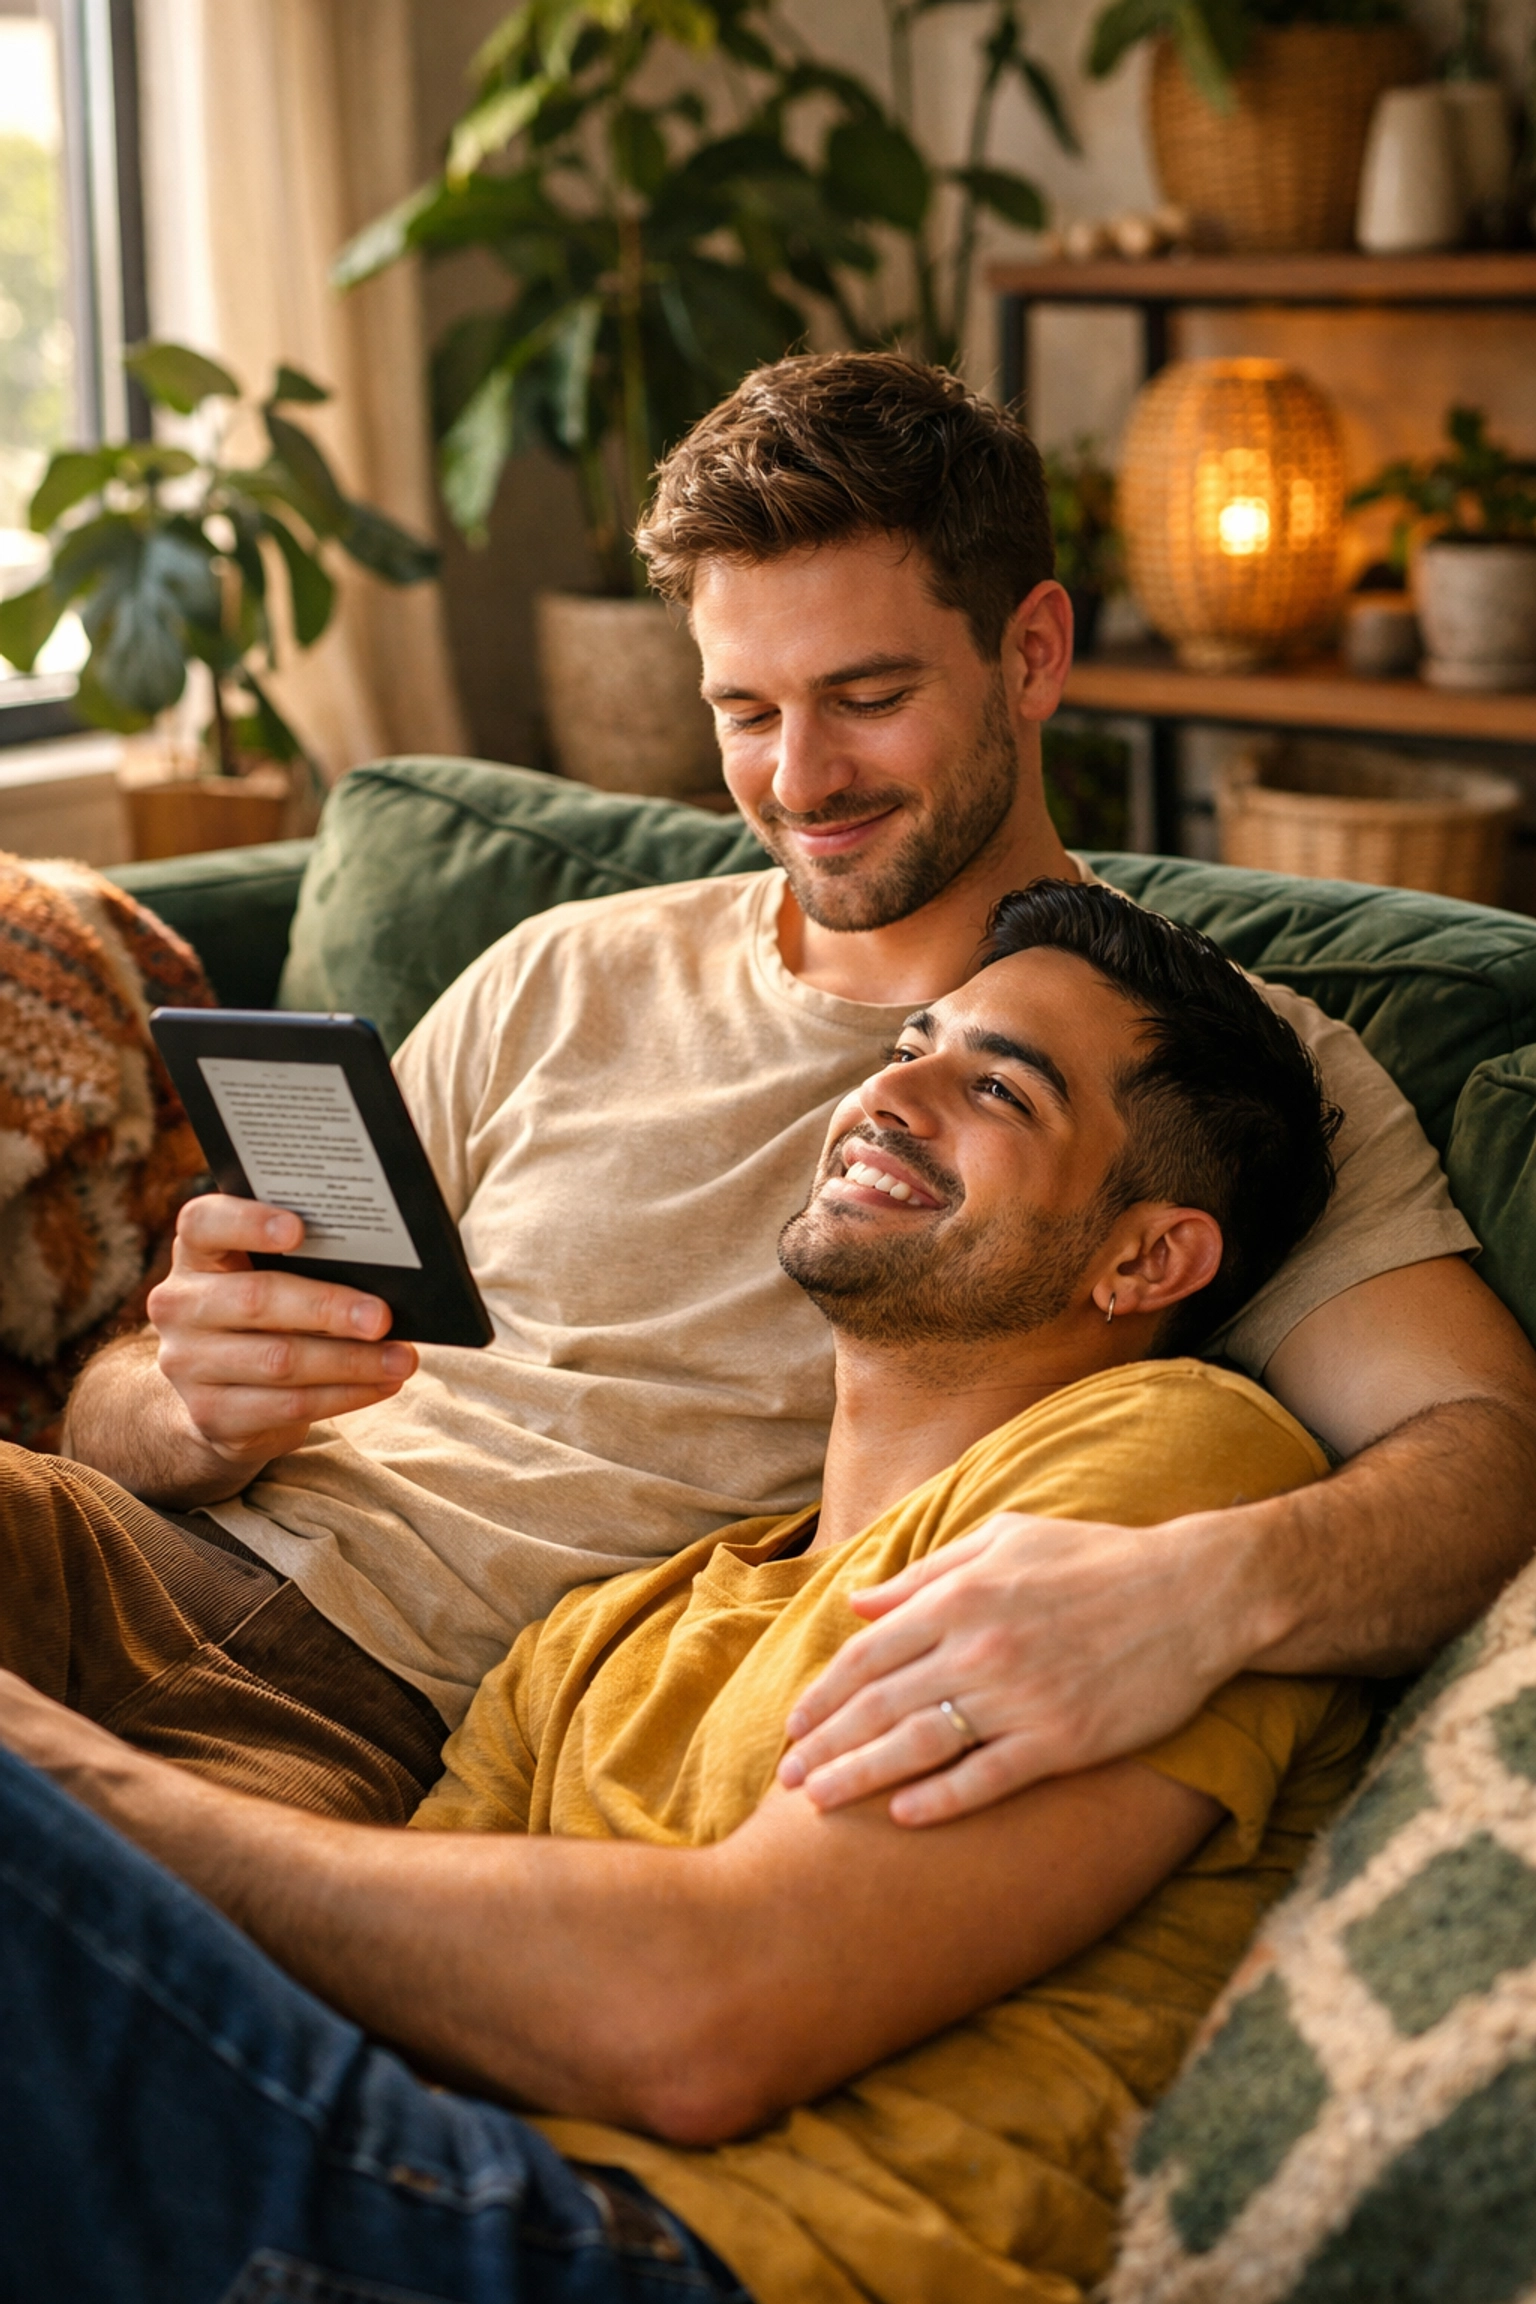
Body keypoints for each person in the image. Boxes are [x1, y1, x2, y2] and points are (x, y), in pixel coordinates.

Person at [55, 351, 1536, 1825]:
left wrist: (1195, 1600)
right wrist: (182, 1407)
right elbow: (115, 1399)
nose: (802, 779)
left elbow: (1492, 1457)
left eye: (868, 696)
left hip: (393, 1727)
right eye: (747, 712)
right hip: (101, 1550)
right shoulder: (561, 968)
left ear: (1032, 654)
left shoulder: (1189, 1077)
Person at [0, 884, 1371, 2304]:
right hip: (394, 2168)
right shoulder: (612, 1632)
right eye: (910, 1045)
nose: (888, 1094)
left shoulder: (1172, 1475)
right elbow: (378, 1986)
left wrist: (59, 1782)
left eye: (998, 1091)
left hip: (690, 2252)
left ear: (1146, 1257)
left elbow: (708, 2024)